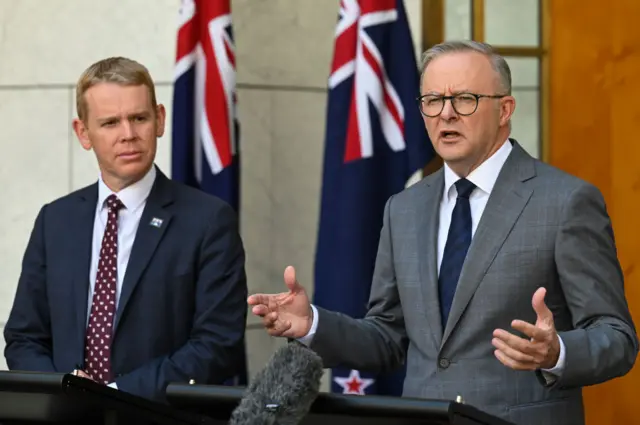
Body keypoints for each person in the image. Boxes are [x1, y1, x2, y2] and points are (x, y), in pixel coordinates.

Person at [247, 41, 638, 425]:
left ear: (505, 109)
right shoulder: (403, 208)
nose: (445, 114)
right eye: (432, 100)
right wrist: (313, 324)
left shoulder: (566, 201)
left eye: (464, 99)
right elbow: (388, 336)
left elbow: (617, 337)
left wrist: (558, 353)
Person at [4, 56, 248, 402]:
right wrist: (65, 388)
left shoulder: (208, 221)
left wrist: (113, 395)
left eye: (139, 118)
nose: (128, 135)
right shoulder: (55, 220)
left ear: (160, 119)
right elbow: (24, 337)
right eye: (110, 123)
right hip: (65, 416)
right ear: (83, 133)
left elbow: (217, 344)